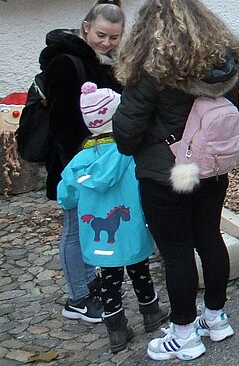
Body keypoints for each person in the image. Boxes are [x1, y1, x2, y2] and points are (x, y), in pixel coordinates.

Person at [113, 0, 239, 361]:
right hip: (212, 170)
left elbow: (126, 135)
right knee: (209, 237)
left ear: (148, 29)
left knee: (176, 251)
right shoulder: (224, 66)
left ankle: (184, 334)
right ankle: (216, 317)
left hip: (168, 174)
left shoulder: (151, 70)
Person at [57, 83, 168, 353]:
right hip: (131, 230)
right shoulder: (129, 153)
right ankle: (151, 313)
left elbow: (65, 196)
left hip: (101, 240)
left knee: (109, 279)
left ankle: (116, 330)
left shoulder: (80, 159)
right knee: (140, 270)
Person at [39, 0, 125, 325]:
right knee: (75, 229)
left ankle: (89, 283)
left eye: (114, 37)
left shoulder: (106, 61)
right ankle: (77, 297)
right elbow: (63, 125)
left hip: (98, 163)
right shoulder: (66, 63)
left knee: (90, 227)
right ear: (86, 27)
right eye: (100, 35)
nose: (106, 42)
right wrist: (82, 168)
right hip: (75, 164)